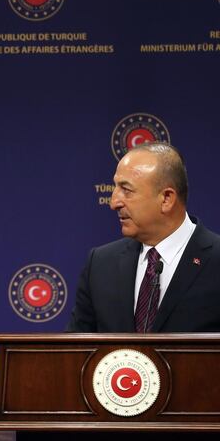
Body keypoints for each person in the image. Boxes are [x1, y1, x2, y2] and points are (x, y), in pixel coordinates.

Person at [67, 142, 220, 333]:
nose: (114, 202)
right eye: (115, 187)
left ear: (166, 199)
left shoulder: (215, 260)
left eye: (126, 190)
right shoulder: (100, 264)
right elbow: (74, 353)